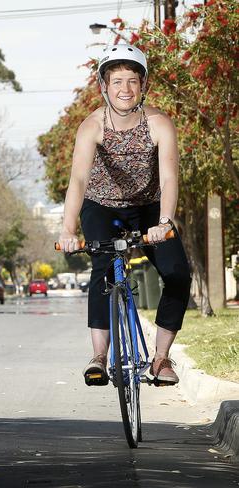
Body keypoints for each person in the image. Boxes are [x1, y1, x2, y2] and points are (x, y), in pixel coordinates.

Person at [57, 44, 192, 386]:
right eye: (117, 81)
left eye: (132, 81)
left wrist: (164, 222)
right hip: (101, 207)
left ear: (143, 85)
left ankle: (161, 360)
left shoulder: (159, 124)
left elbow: (169, 177)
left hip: (148, 208)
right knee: (103, 268)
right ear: (104, 85)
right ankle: (99, 357)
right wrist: (68, 229)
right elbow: (78, 179)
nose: (125, 89)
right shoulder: (92, 127)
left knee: (177, 274)